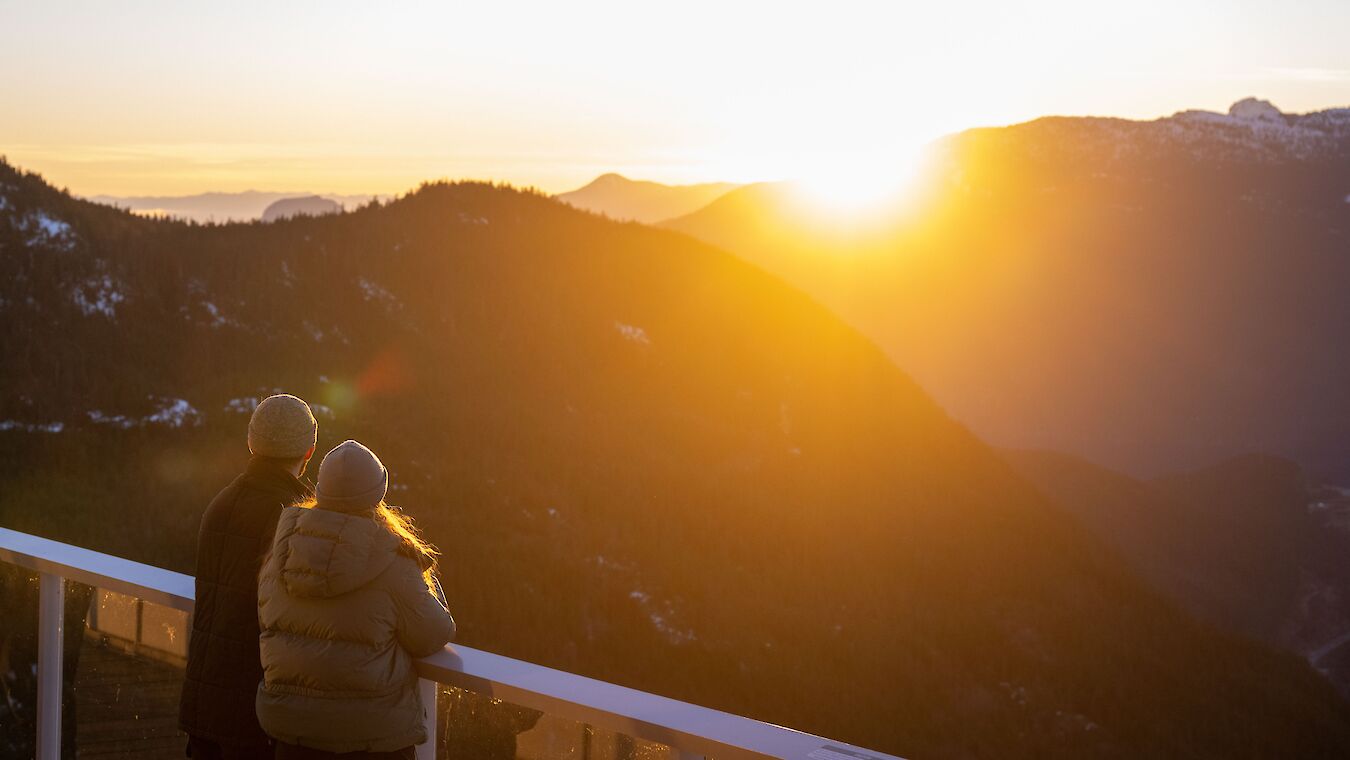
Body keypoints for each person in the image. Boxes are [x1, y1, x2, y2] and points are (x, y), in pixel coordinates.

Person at [256, 439, 456, 760]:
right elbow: (435, 633)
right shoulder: (394, 560)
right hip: (372, 739)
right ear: (378, 496)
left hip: (293, 736)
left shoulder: (281, 553)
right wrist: (420, 570)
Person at [180, 394, 318, 760]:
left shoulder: (221, 503)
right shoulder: (294, 517)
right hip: (254, 709)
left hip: (204, 698)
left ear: (252, 443)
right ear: (309, 450)